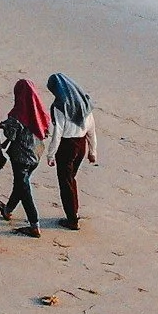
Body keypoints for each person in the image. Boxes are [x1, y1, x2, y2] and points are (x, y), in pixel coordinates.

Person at [0, 78, 53, 235]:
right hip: (36, 155)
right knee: (21, 184)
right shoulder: (40, 112)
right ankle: (7, 209)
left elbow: (11, 135)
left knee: (24, 187)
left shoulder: (17, 114)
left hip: (21, 157)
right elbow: (46, 131)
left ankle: (34, 224)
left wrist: (3, 126)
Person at [45, 72, 97, 229]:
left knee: (65, 181)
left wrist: (51, 153)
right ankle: (74, 211)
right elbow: (91, 129)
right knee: (71, 179)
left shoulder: (60, 106)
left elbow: (58, 132)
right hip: (81, 145)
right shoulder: (84, 103)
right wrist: (92, 151)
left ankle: (72, 219)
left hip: (66, 147)